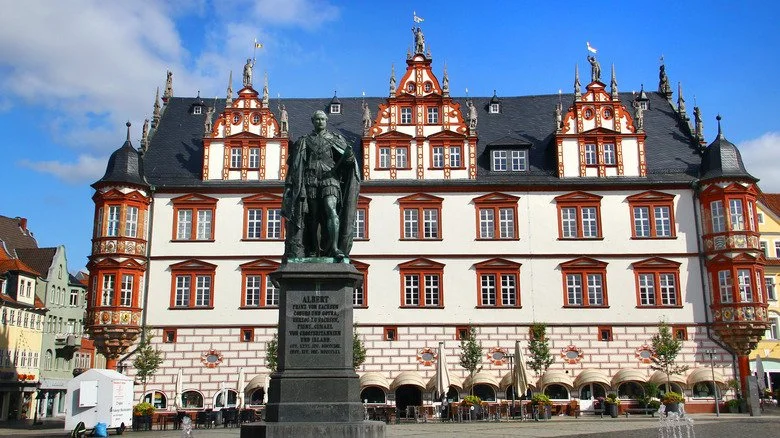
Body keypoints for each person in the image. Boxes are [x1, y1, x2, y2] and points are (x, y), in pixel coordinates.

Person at [282, 110, 360, 260]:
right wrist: (290, 185)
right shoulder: (304, 141)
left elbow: (349, 163)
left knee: (331, 210)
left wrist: (349, 156)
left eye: (323, 119)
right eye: (317, 119)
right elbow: (295, 166)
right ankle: (312, 248)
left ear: (326, 121)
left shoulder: (335, 139)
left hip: (330, 180)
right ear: (313, 121)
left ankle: (335, 248)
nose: (320, 122)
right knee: (313, 216)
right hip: (310, 180)